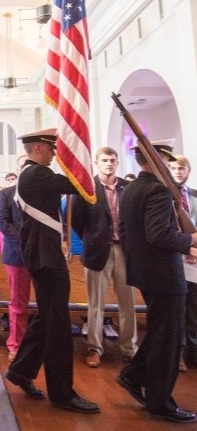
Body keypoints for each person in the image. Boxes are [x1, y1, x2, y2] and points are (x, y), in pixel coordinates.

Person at [5, 129, 100, 414]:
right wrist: (78, 158)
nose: (55, 154)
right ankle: (62, 393)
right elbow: (77, 184)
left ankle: (21, 370)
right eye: (52, 149)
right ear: (37, 149)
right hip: (45, 257)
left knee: (49, 317)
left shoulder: (32, 174)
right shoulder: (36, 174)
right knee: (58, 325)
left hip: (43, 254)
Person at [117, 140, 197, 422]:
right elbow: (159, 235)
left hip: (145, 271)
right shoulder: (159, 190)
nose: (168, 165)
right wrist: (191, 240)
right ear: (156, 159)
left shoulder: (130, 189)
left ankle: (134, 374)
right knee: (169, 339)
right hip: (164, 273)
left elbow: (127, 232)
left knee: (162, 333)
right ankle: (160, 401)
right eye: (166, 160)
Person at [71, 146, 137, 369]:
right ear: (97, 164)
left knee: (128, 304)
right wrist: (94, 239)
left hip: (125, 250)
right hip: (98, 251)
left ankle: (129, 348)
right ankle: (94, 348)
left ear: (117, 163)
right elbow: (77, 221)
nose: (109, 163)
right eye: (104, 160)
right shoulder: (87, 189)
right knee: (96, 304)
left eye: (112, 160)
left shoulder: (128, 188)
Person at [0, 154, 31, 362]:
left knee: (46, 303)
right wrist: (26, 242)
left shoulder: (42, 194)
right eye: (22, 166)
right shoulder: (7, 194)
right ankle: (16, 344)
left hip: (41, 254)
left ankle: (37, 345)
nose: (26, 169)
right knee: (18, 303)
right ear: (17, 170)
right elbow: (3, 222)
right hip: (17, 253)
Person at [169, 155, 197, 371]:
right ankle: (177, 353)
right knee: (177, 310)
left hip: (195, 260)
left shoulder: (195, 196)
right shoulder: (165, 195)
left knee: (193, 311)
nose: (178, 171)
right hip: (174, 257)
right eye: (174, 168)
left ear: (188, 170)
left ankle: (193, 355)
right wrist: (186, 247)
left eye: (182, 168)